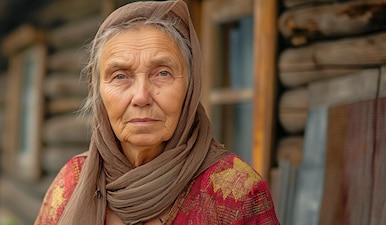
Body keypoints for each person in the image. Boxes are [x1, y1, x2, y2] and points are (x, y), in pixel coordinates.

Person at [35, 1, 279, 224]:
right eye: (120, 76)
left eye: (162, 73)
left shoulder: (236, 194)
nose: (141, 97)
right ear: (98, 92)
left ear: (190, 87)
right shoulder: (71, 181)